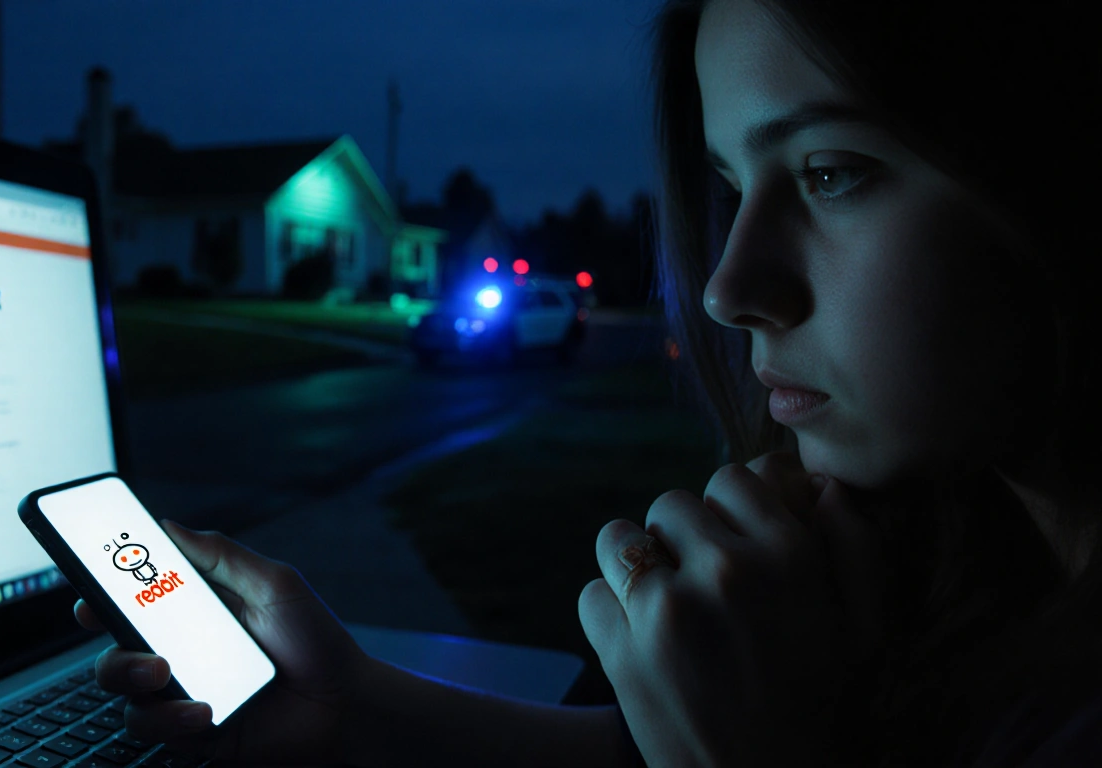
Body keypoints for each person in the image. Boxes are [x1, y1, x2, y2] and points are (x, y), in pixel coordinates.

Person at [74, 0, 1102, 764]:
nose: (728, 287)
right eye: (732, 189)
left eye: (831, 171)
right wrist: (350, 697)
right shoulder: (959, 569)